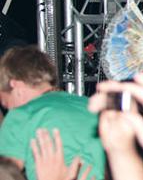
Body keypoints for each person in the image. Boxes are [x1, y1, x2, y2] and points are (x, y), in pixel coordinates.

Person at [0, 46, 106, 180]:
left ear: (15, 85)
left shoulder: (20, 115)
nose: (9, 110)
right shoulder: (90, 105)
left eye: (6, 104)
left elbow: (5, 174)